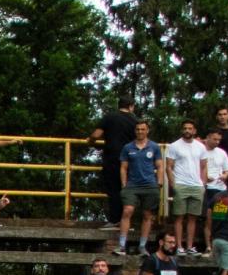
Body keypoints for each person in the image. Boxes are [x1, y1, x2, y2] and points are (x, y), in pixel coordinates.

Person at [114, 119, 163, 256]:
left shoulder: (154, 147)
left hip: (150, 185)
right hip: (132, 185)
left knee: (147, 215)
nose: (140, 132)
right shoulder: (128, 147)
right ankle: (121, 245)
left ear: (147, 130)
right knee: (127, 211)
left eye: (143, 129)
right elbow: (123, 167)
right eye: (138, 129)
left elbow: (159, 165)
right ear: (135, 131)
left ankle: (142, 246)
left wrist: (159, 182)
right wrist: (124, 184)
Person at [87, 96, 137, 223]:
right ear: (131, 106)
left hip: (112, 158)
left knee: (113, 190)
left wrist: (90, 141)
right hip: (130, 159)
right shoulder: (135, 120)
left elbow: (96, 134)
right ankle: (126, 221)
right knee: (127, 190)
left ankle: (115, 220)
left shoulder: (109, 117)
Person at [165, 120, 208, 254]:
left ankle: (189, 246)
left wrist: (203, 184)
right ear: (181, 130)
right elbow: (169, 166)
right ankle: (179, 247)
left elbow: (204, 166)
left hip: (196, 186)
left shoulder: (201, 147)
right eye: (185, 128)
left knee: (192, 218)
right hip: (181, 184)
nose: (187, 131)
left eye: (190, 128)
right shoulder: (174, 146)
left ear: (194, 130)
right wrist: (173, 184)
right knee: (179, 217)